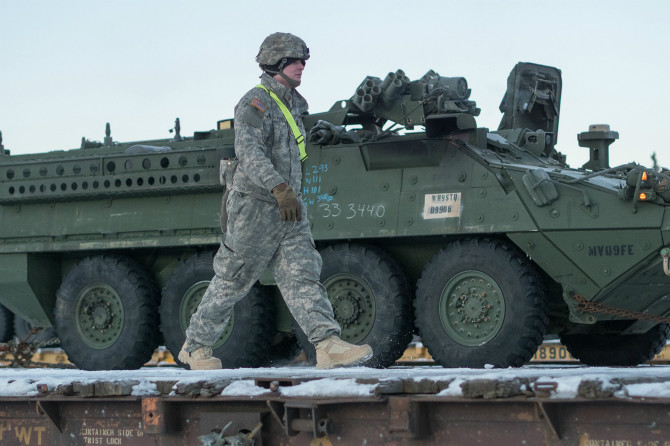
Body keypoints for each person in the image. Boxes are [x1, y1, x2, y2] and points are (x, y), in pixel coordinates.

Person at [178, 32, 373, 370]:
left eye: (303, 60)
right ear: (275, 63)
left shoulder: (293, 106)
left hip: (289, 209)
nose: (302, 66)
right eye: (295, 60)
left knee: (303, 274)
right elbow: (249, 153)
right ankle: (195, 347)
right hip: (256, 208)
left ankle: (327, 344)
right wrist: (279, 188)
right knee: (233, 279)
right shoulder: (256, 103)